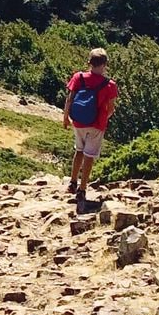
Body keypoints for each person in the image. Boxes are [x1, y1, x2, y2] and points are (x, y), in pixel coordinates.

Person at [63, 47, 120, 202]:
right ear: (105, 64)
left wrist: (66, 118)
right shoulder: (110, 85)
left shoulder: (78, 77)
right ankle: (82, 190)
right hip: (97, 125)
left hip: (78, 122)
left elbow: (69, 99)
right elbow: (111, 109)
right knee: (89, 156)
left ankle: (72, 183)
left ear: (89, 62)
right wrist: (103, 119)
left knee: (79, 151)